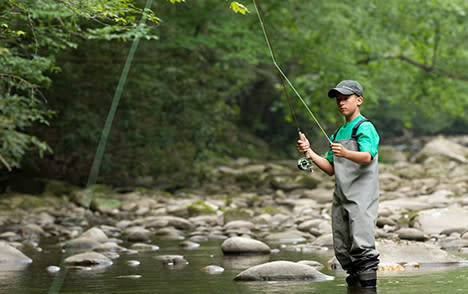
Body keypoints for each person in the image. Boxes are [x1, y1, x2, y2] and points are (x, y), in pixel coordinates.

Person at [297, 80, 380, 290]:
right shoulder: (337, 133)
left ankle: (370, 288)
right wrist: (310, 152)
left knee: (363, 247)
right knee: (343, 248)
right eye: (339, 100)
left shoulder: (365, 127)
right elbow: (330, 168)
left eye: (346, 99)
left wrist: (346, 153)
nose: (341, 103)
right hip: (341, 197)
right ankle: (355, 287)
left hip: (361, 197)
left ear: (359, 100)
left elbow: (367, 156)